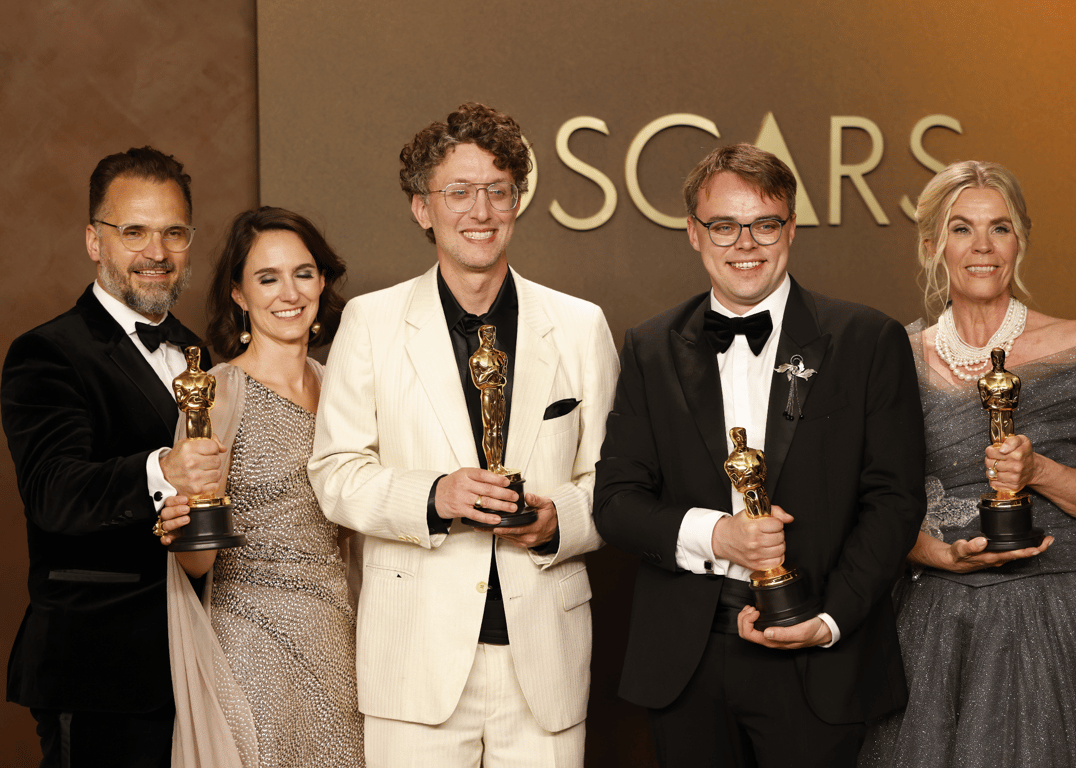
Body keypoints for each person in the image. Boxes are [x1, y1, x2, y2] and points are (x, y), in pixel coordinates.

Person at [593, 143, 926, 768]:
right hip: (686, 662)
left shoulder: (867, 339)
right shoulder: (649, 347)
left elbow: (895, 500)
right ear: (695, 233)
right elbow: (615, 503)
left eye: (764, 224)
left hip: (819, 656)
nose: (745, 243)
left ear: (791, 229)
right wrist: (719, 536)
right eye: (724, 225)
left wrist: (828, 620)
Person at [308, 102, 619, 767]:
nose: (480, 210)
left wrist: (554, 520)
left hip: (545, 661)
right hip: (413, 660)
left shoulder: (579, 326)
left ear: (516, 201)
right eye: (459, 192)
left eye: (497, 191)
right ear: (423, 208)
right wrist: (436, 496)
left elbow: (617, 484)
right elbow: (335, 474)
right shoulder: (370, 322)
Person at [859, 161, 1076, 766]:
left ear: (1022, 240)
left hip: (1060, 622)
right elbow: (876, 508)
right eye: (962, 229)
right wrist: (932, 551)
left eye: (1000, 228)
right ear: (933, 245)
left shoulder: (1074, 343)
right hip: (937, 625)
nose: (983, 247)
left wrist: (1037, 469)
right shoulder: (895, 357)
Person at [1, 146, 218, 767]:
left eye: (173, 233)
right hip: (99, 669)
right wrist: (164, 469)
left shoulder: (202, 355)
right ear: (94, 242)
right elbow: (54, 492)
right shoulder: (48, 352)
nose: (157, 252)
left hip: (199, 664)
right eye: (134, 232)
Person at [156, 207, 363, 767]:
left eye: (302, 272)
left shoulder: (344, 388)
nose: (288, 292)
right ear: (240, 296)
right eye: (267, 278)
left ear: (322, 281)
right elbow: (196, 565)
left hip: (339, 640)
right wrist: (183, 531)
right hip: (251, 642)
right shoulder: (218, 392)